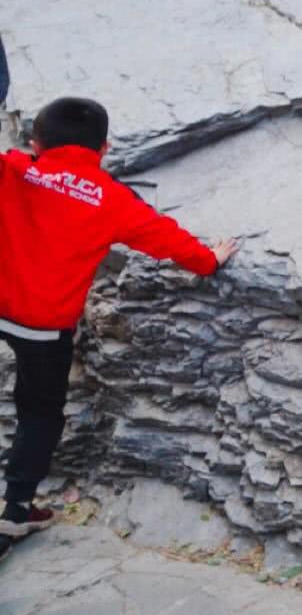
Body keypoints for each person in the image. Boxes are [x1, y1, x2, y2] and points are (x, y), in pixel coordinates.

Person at [0, 98, 237, 537]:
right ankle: (15, 511)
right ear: (104, 148)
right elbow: (163, 237)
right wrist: (209, 260)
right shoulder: (110, 198)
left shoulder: (13, 168)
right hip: (44, 327)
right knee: (39, 412)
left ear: (36, 142)